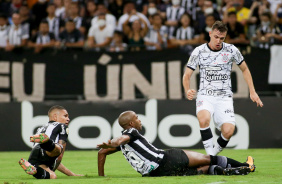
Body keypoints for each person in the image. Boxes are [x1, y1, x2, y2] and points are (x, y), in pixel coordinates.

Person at [182, 21, 263, 156]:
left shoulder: (231, 50)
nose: (218, 41)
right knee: (203, 119)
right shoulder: (199, 51)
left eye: (222, 38)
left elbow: (245, 69)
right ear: (210, 34)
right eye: (216, 37)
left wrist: (252, 91)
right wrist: (187, 89)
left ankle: (211, 156)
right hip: (205, 95)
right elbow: (187, 75)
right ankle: (211, 159)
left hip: (224, 97)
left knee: (228, 131)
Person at [97, 111, 255, 177]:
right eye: (137, 118)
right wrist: (112, 142)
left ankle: (225, 172)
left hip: (156, 174)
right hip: (167, 158)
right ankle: (247, 165)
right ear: (131, 123)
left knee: (204, 170)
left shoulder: (125, 143)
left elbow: (101, 153)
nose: (140, 120)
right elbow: (119, 140)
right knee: (209, 158)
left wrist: (101, 177)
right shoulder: (131, 132)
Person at [19, 105, 82, 179]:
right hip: (47, 149)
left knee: (52, 176)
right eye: (65, 116)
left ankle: (35, 171)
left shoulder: (41, 127)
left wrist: (72, 174)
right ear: (55, 116)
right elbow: (59, 156)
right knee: (59, 149)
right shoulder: (62, 126)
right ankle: (46, 141)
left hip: (34, 156)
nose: (68, 119)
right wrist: (53, 167)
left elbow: (55, 161)